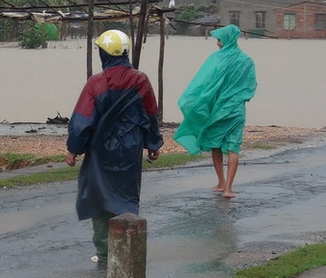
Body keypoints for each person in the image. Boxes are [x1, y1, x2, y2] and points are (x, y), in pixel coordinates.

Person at [65, 29, 163, 265]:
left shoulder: (96, 83)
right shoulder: (141, 80)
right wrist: (153, 143)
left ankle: (105, 253)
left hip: (100, 150)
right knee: (127, 196)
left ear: (103, 53)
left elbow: (82, 120)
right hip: (130, 148)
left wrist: (73, 149)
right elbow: (151, 113)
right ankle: (127, 249)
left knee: (99, 199)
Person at [173, 24, 257, 199]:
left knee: (215, 143)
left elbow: (205, 84)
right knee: (234, 146)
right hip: (236, 109)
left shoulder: (218, 59)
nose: (217, 43)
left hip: (218, 109)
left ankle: (221, 182)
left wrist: (197, 102)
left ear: (226, 39)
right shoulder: (247, 60)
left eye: (219, 39)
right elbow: (250, 86)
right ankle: (227, 187)